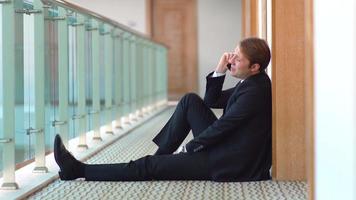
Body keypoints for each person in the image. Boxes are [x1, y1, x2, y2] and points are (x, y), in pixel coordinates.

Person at [54, 37, 272, 182]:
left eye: (238, 58)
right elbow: (211, 101)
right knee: (190, 101)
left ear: (254, 67)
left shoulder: (254, 91)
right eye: (232, 54)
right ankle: (163, 160)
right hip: (228, 146)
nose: (231, 60)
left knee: (148, 165)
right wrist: (219, 69)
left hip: (229, 161)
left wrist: (191, 147)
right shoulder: (251, 82)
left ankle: (79, 170)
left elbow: (224, 126)